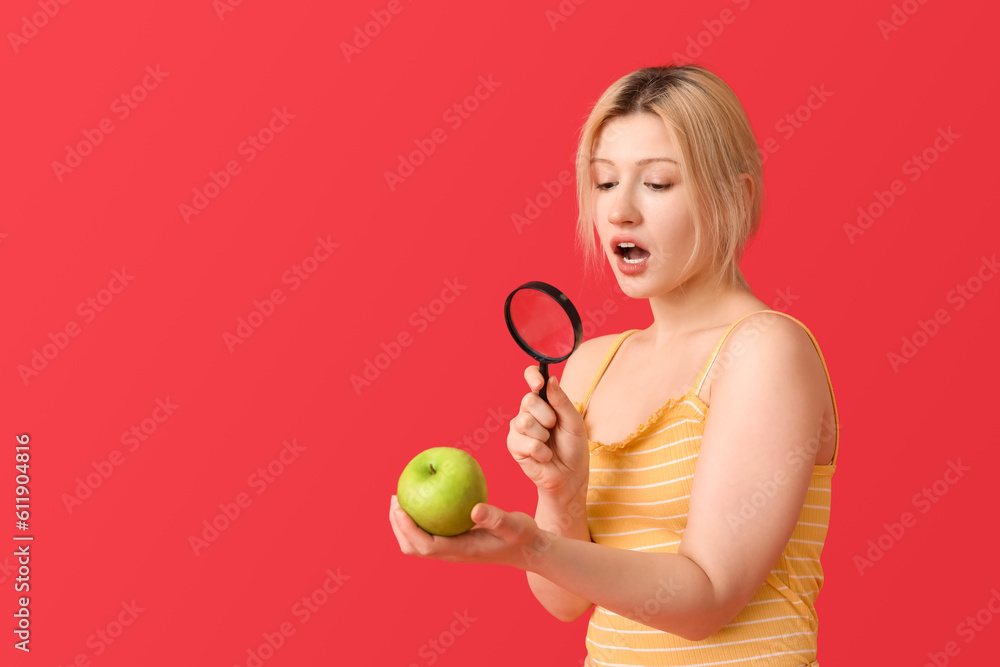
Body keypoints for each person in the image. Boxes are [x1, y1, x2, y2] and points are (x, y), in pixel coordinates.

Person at [389, 63, 839, 666]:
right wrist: (562, 494)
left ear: (736, 195)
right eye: (603, 183)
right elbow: (565, 603)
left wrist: (528, 547)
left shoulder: (764, 351)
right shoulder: (593, 364)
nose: (620, 212)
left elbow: (708, 601)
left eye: (656, 184)